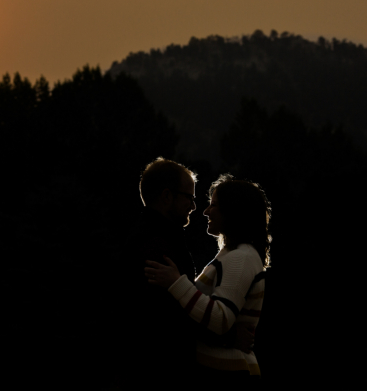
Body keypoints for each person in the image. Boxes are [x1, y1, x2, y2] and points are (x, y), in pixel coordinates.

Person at [114, 160, 253, 390]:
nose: (194, 206)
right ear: (167, 196)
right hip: (157, 376)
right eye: (189, 197)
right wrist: (229, 338)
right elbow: (168, 319)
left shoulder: (158, 238)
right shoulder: (154, 247)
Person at [144, 173, 272, 384]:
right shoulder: (233, 254)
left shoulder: (241, 257)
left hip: (225, 373)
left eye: (213, 205)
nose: (205, 211)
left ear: (232, 211)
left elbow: (220, 319)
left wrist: (176, 283)